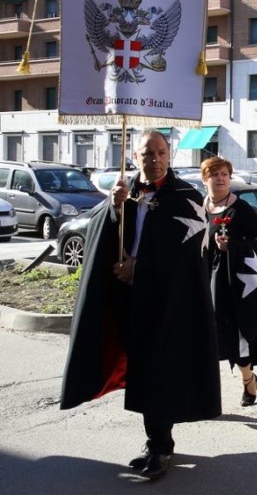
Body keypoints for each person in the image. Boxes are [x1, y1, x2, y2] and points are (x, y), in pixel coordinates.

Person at [60, 130, 220, 480]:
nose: (155, 159)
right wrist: (113, 207)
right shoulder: (126, 192)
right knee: (143, 369)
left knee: (160, 369)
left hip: (169, 302)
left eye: (161, 152)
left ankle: (161, 445)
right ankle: (156, 440)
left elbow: (187, 256)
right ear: (135, 156)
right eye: (148, 153)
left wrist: (140, 266)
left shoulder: (187, 197)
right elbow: (101, 230)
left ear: (169, 155)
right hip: (130, 298)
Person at [201, 156, 257, 407]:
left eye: (224, 174)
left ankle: (248, 378)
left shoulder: (242, 210)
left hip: (234, 284)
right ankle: (204, 393)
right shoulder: (199, 208)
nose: (220, 179)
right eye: (214, 174)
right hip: (204, 279)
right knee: (205, 337)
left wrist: (233, 247)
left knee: (238, 335)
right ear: (205, 179)